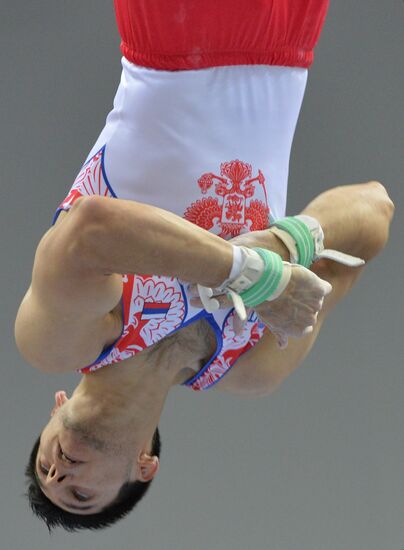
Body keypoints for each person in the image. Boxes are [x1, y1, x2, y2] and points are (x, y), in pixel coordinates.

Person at [13, 0, 395, 533]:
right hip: (289, 49)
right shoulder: (247, 366)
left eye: (42, 466)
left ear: (55, 408)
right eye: (78, 494)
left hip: (174, 39)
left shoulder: (63, 341)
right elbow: (373, 210)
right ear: (144, 467)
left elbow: (92, 228)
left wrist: (253, 273)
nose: (57, 473)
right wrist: (286, 247)